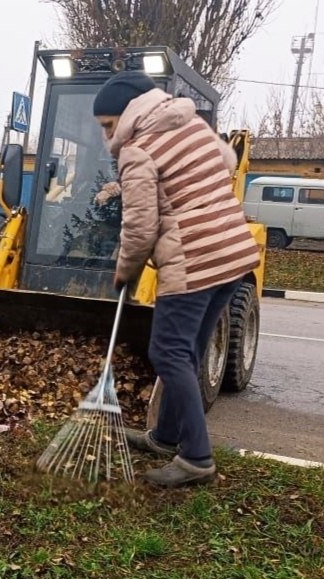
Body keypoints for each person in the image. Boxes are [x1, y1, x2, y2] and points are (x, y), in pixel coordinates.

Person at [92, 71, 260, 488]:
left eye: (108, 125)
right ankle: (166, 436)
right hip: (233, 255)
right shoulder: (192, 126)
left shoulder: (137, 149)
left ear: (128, 113)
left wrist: (125, 271)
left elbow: (141, 227)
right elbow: (225, 162)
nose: (107, 136)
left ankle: (197, 458)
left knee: (168, 351)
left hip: (195, 259)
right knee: (190, 348)